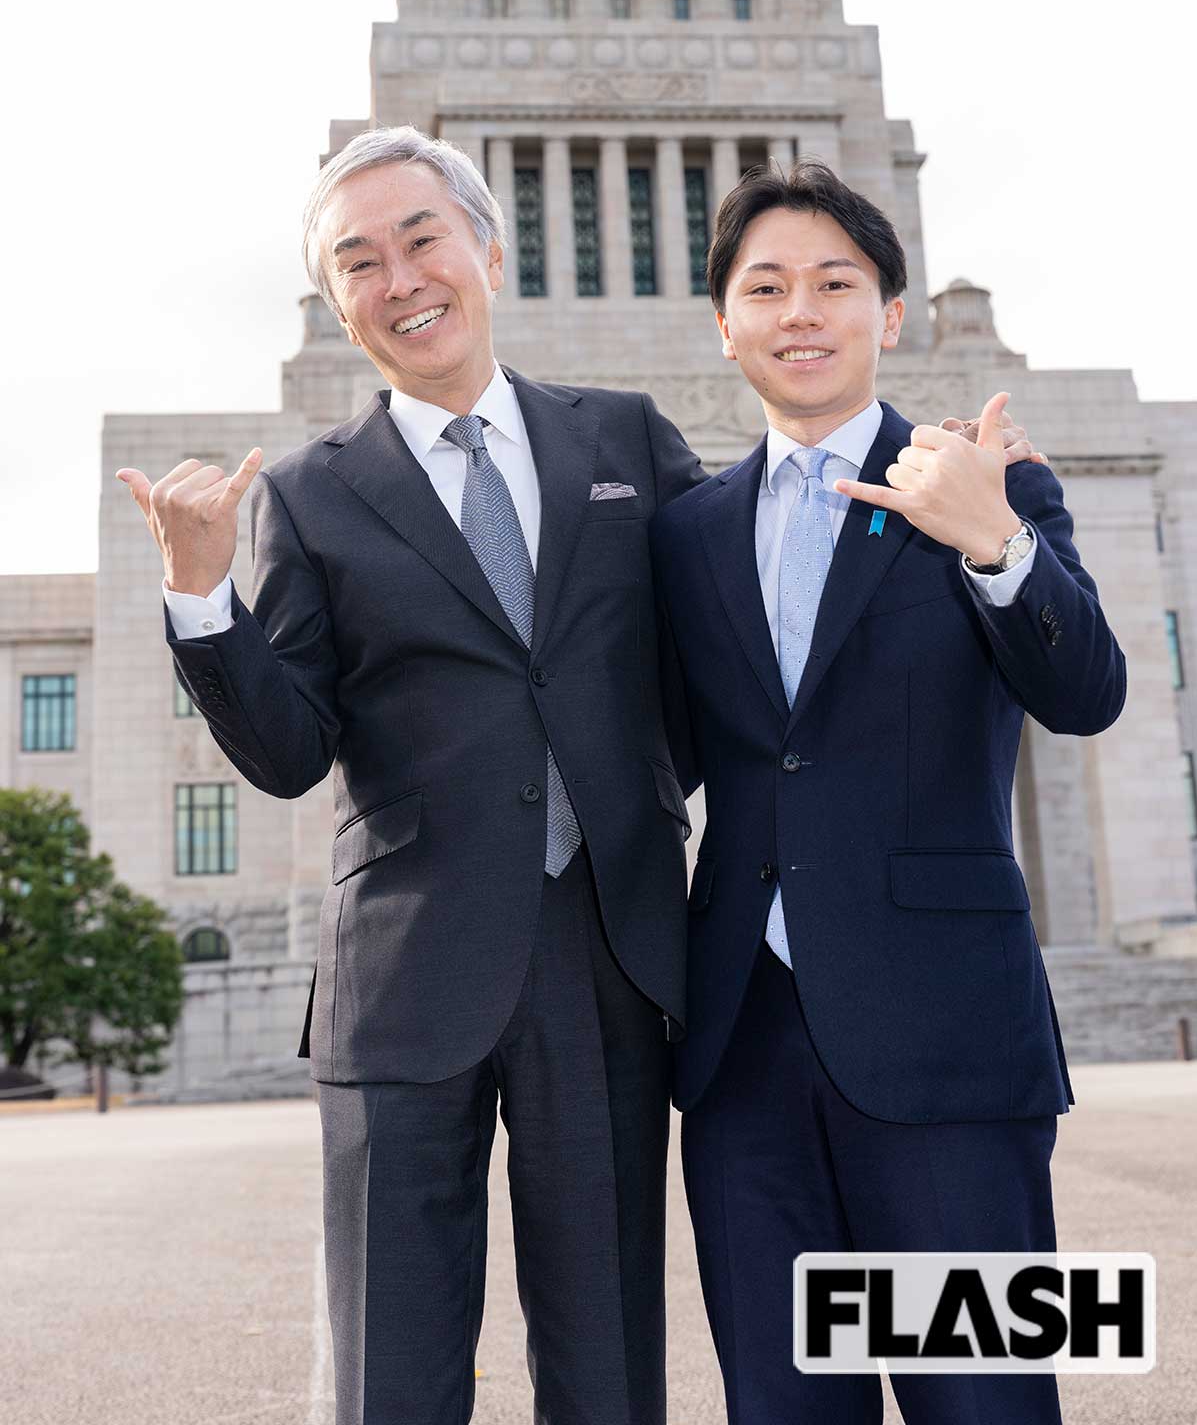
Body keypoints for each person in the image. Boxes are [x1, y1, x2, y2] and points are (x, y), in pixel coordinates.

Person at [117, 126, 706, 1425]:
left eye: (421, 238)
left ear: (486, 247)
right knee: (396, 1371)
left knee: (606, 1368)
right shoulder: (315, 497)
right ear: (336, 306)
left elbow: (728, 659)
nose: (400, 278)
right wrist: (200, 593)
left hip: (608, 960)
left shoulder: (629, 441)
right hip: (406, 974)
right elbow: (282, 750)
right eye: (358, 262)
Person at [649, 161, 1125, 1425]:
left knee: (983, 1402)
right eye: (767, 287)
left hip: (946, 1049)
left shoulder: (987, 481)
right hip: (744, 1050)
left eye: (834, 283)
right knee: (784, 1405)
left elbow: (1088, 694)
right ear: (726, 324)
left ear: (891, 315)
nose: (801, 310)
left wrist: (996, 543)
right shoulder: (691, 531)